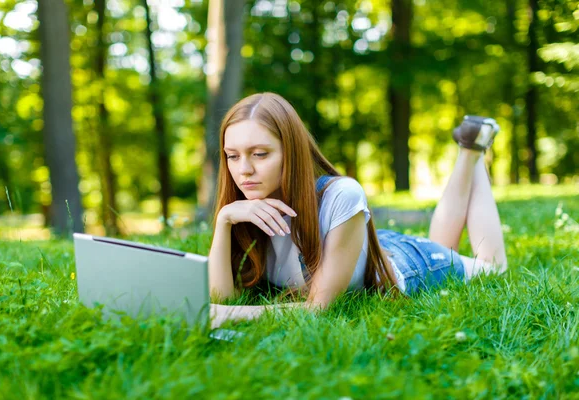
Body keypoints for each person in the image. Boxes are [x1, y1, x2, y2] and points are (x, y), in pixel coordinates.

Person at [208, 92, 507, 328]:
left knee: (493, 268)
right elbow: (220, 297)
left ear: (292, 151)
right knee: (444, 245)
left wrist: (231, 315)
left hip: (406, 264)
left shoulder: (342, 194)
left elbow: (318, 309)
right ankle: (473, 146)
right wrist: (224, 221)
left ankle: (472, 153)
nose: (244, 169)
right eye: (232, 156)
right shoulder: (243, 208)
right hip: (353, 248)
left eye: (260, 154)